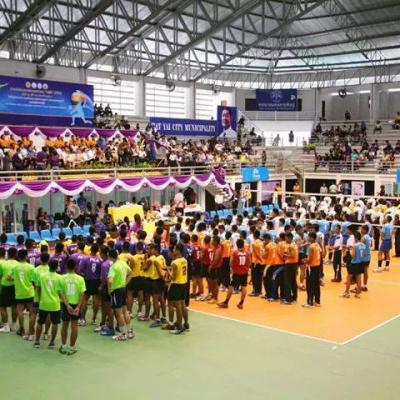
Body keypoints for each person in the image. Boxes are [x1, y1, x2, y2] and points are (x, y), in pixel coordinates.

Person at [34, 259, 63, 349]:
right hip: (55, 304)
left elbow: (38, 288)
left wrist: (40, 298)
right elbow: (61, 292)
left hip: (43, 303)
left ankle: (37, 341)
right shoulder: (60, 278)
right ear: (57, 267)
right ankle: (51, 343)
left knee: (40, 322)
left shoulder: (42, 276)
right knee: (55, 323)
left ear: (49, 266)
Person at [59, 259, 86, 355]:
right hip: (75, 304)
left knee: (64, 325)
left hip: (65, 305)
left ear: (67, 266)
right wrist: (78, 307)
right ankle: (72, 347)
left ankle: (63, 346)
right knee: (74, 326)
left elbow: (61, 292)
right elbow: (82, 293)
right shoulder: (80, 279)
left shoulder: (62, 278)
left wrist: (67, 305)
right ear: (75, 267)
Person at [107, 249, 134, 341]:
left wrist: (109, 289)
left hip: (116, 290)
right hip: (123, 289)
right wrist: (125, 283)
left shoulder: (113, 267)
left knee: (119, 313)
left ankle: (123, 334)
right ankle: (130, 331)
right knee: (125, 311)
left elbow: (110, 280)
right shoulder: (123, 263)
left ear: (110, 257)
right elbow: (130, 274)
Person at [218, 239, 250, 309]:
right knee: (244, 287)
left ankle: (226, 303)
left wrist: (232, 269)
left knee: (231, 286)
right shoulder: (247, 253)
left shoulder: (235, 252)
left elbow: (230, 263)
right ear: (243, 245)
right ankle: (241, 303)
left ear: (237, 245)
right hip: (244, 272)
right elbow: (249, 262)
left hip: (237, 273)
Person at [165, 243, 189, 334]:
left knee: (177, 306)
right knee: (183, 305)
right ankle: (186, 324)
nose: (173, 250)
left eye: (175, 249)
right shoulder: (184, 260)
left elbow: (173, 277)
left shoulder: (174, 262)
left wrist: (168, 271)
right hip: (183, 284)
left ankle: (179, 327)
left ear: (178, 250)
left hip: (176, 285)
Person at [12, 249, 35, 339]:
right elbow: (34, 280)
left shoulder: (15, 267)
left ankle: (22, 330)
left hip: (19, 293)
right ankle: (31, 331)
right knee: (31, 312)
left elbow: (9, 278)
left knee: (20, 311)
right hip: (30, 292)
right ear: (26, 256)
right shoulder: (31, 267)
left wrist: (16, 279)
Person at [79, 244, 102, 326]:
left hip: (87, 280)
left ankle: (83, 319)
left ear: (90, 250)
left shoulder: (85, 258)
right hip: (97, 281)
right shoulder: (100, 260)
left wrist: (84, 275)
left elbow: (80, 270)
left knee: (84, 299)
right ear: (97, 251)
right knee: (96, 299)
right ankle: (94, 319)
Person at [341, 231, 365, 298]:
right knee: (359, 278)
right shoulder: (363, 245)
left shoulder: (355, 246)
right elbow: (363, 255)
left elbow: (353, 255)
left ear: (356, 238)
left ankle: (346, 293)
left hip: (354, 263)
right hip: (361, 263)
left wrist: (350, 250)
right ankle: (358, 294)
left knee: (349, 277)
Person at [0, 247, 17, 333]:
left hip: (4, 287)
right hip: (15, 287)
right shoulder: (18, 264)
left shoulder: (3, 264)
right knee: (14, 306)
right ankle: (13, 325)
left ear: (8, 254)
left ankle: (6, 326)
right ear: (16, 254)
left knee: (2, 306)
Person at [302, 232, 321, 308]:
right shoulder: (317, 245)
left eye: (309, 237)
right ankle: (317, 301)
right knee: (316, 284)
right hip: (317, 266)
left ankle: (310, 302)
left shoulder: (311, 247)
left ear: (312, 238)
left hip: (311, 267)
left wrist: (304, 260)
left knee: (310, 284)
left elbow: (309, 259)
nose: (307, 238)